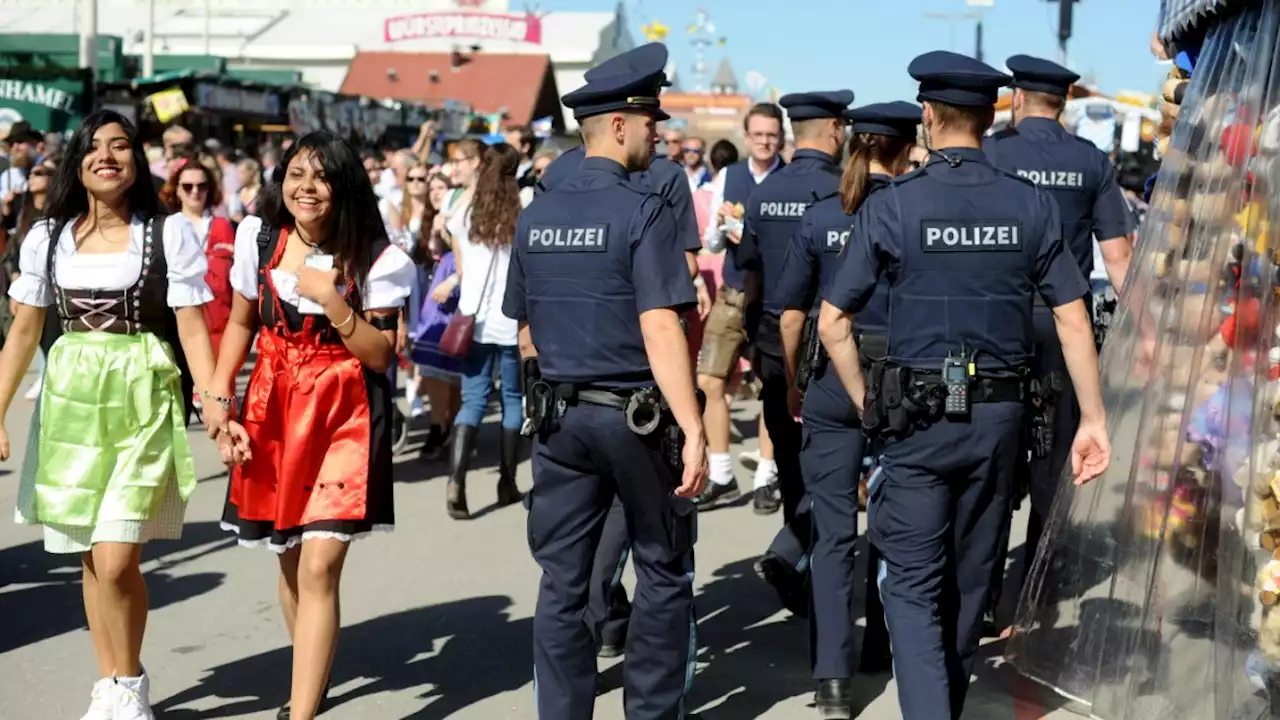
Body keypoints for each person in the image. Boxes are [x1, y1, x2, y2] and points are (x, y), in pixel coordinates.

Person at [816, 51, 1111, 719]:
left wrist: (867, 402)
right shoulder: (1030, 204)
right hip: (998, 422)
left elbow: (834, 322)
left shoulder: (895, 206)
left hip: (915, 423)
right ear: (991, 115)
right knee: (973, 579)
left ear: (927, 116)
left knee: (914, 589)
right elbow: (1072, 315)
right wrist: (1093, 418)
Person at [503, 42, 707, 720]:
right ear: (619, 125)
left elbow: (525, 327)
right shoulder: (643, 210)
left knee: (562, 580)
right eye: (651, 121)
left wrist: (546, 384)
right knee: (662, 567)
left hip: (560, 420)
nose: (660, 132)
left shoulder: (536, 215)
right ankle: (650, 712)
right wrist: (697, 427)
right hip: (634, 417)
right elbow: (660, 326)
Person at [0, 108, 222, 720]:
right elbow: (22, 333)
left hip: (141, 398)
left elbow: (193, 329)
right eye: (94, 147)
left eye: (120, 146)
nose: (107, 156)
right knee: (89, 554)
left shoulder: (167, 232)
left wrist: (218, 404)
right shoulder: (47, 238)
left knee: (120, 554)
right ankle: (111, 681)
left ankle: (130, 678)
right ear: (78, 161)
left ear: (136, 159)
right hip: (72, 403)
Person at [211, 131, 415, 720]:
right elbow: (243, 324)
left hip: (342, 410)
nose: (306, 187)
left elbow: (379, 354)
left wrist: (334, 301)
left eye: (321, 177)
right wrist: (219, 398)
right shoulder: (261, 238)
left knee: (322, 562)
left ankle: (301, 712)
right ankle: (313, 672)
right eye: (297, 173)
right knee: (291, 556)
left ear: (344, 187)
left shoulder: (377, 257)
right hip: (273, 403)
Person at [773, 100, 921, 716]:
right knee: (898, 526)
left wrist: (794, 381)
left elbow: (789, 313)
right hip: (903, 383)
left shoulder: (819, 218)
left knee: (833, 535)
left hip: (834, 380)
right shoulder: (917, 210)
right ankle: (882, 647)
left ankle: (831, 681)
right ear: (907, 148)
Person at [982, 54, 1137, 626]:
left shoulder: (992, 153)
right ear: (1063, 102)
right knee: (1053, 459)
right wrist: (1143, 332)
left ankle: (980, 587)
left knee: (993, 456)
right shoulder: (1091, 162)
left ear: (1018, 99)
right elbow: (1119, 259)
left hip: (995, 326)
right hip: (1062, 329)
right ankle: (1037, 595)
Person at [740, 90, 852, 610]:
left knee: (789, 461)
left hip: (774, 340)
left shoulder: (764, 193)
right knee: (835, 463)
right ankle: (811, 561)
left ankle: (798, 560)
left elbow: (753, 275)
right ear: (834, 128)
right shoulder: (846, 191)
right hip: (831, 340)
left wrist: (753, 339)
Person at [696, 102, 787, 512]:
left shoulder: (791, 178)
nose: (766, 141)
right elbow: (711, 245)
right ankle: (721, 474)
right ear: (746, 137)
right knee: (711, 381)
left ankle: (768, 475)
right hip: (732, 292)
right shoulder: (729, 176)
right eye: (759, 135)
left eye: (772, 134)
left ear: (781, 136)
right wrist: (720, 227)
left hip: (774, 298)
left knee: (773, 388)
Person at [434, 139, 524, 520]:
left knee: (472, 401)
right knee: (513, 400)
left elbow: (450, 243)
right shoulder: (522, 210)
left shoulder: (466, 210)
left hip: (474, 319)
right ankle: (507, 481)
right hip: (511, 319)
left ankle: (456, 482)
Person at [160, 156, 236, 374]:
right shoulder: (166, 229)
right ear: (177, 190)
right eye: (188, 186)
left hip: (219, 328)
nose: (195, 191)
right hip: (175, 325)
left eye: (202, 186)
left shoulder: (223, 227)